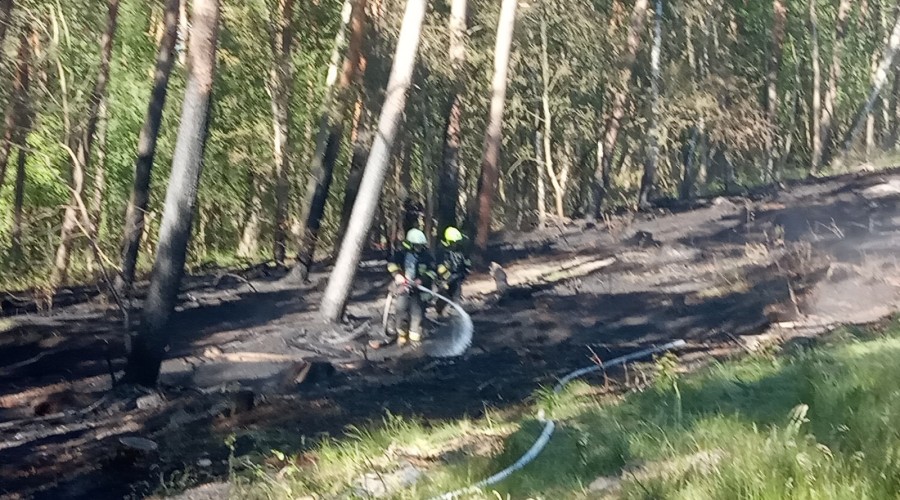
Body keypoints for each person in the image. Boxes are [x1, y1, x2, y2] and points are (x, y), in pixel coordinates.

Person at [377, 228, 435, 347]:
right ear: (410, 244)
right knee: (401, 311)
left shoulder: (427, 256)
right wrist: (397, 275)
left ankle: (414, 338)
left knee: (417, 315)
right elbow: (391, 265)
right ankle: (402, 335)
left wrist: (422, 280)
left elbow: (433, 271)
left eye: (420, 246)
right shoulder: (401, 254)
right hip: (403, 288)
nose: (419, 248)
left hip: (420, 291)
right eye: (416, 246)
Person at [435, 226, 471, 316]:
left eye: (457, 242)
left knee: (456, 296)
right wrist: (446, 279)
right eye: (453, 242)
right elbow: (440, 268)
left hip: (457, 278)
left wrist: (466, 271)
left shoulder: (461, 250)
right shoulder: (442, 251)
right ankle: (439, 311)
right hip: (445, 280)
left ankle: (456, 315)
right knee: (444, 296)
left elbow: (466, 262)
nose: (455, 244)